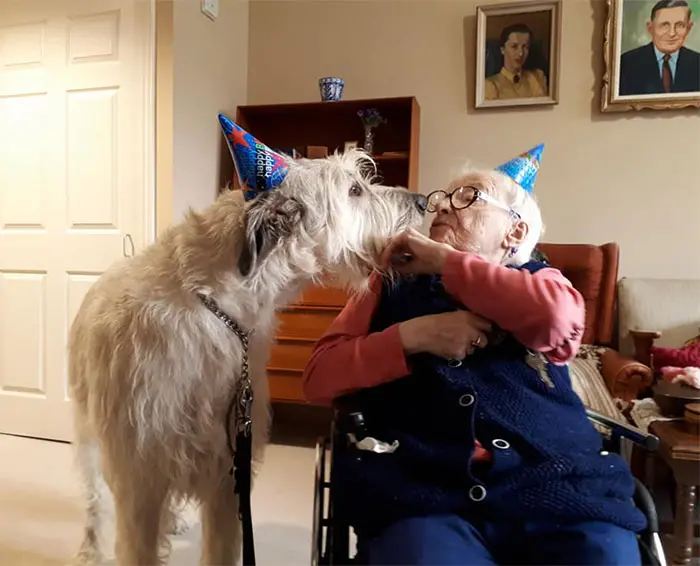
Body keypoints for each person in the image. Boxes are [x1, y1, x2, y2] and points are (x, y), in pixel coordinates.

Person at [302, 144, 646, 565]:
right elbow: (319, 376)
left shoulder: (541, 282)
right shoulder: (389, 283)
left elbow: (558, 323)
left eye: (468, 197)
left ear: (515, 233)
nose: (444, 206)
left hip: (557, 485)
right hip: (424, 489)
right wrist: (414, 335)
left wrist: (446, 263)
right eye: (441, 199)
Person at [619, 0, 700, 95]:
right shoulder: (627, 63)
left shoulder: (697, 62)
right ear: (650, 28)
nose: (672, 33)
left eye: (680, 25)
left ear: (688, 28)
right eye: (665, 25)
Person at [484, 24, 548, 100]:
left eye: (525, 47)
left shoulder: (537, 77)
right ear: (502, 49)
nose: (521, 53)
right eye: (514, 46)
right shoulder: (491, 85)